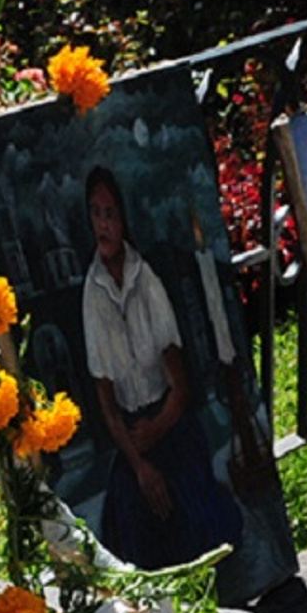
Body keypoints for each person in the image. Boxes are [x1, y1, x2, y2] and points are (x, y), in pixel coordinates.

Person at [77, 165, 241, 570]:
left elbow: (180, 385)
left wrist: (157, 428)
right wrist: (138, 463)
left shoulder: (145, 279)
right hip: (133, 438)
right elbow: (107, 403)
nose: (103, 223)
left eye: (110, 213)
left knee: (195, 522)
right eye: (96, 213)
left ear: (123, 218)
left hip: (168, 422)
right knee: (132, 526)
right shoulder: (91, 295)